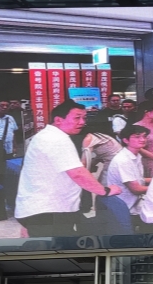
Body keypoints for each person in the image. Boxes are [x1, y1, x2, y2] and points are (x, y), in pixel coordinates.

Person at [14, 100, 122, 237]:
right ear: (58, 120)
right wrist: (105, 191)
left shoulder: (45, 135)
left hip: (42, 208)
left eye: (84, 118)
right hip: (50, 211)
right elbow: (77, 173)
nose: (82, 122)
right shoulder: (57, 139)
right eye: (77, 118)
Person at [108, 125, 151, 215]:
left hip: (136, 202)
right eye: (137, 137)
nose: (143, 139)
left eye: (144, 136)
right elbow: (136, 189)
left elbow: (139, 179)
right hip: (127, 208)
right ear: (126, 140)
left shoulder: (137, 155)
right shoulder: (123, 160)